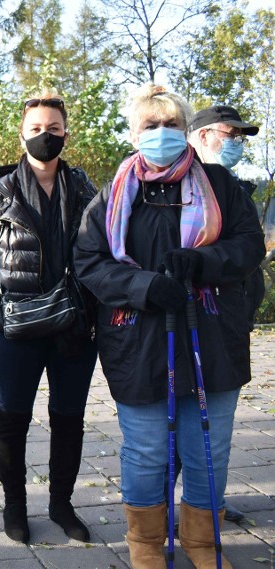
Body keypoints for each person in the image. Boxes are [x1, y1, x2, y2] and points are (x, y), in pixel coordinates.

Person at [73, 84, 265, 569]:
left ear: (186, 130)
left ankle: (202, 542)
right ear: (134, 134)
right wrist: (142, 287)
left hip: (212, 335)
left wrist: (204, 261)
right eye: (150, 126)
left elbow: (248, 246)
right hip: (140, 340)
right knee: (147, 450)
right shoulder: (111, 197)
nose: (162, 134)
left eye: (171, 124)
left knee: (208, 449)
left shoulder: (220, 186)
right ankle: (145, 545)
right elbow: (89, 262)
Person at [0, 93, 99, 545]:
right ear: (22, 133)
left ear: (66, 132)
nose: (46, 135)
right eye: (37, 128)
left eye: (54, 128)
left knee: (69, 418)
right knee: (13, 418)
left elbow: (97, 254)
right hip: (17, 328)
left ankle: (62, 505)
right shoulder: (0, 188)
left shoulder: (85, 189)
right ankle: (15, 507)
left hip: (73, 327)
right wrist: (12, 305)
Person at [188, 105, 265, 334]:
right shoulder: (185, 187)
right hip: (202, 316)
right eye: (230, 135)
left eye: (239, 139)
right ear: (204, 135)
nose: (236, 144)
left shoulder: (236, 187)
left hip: (235, 316)